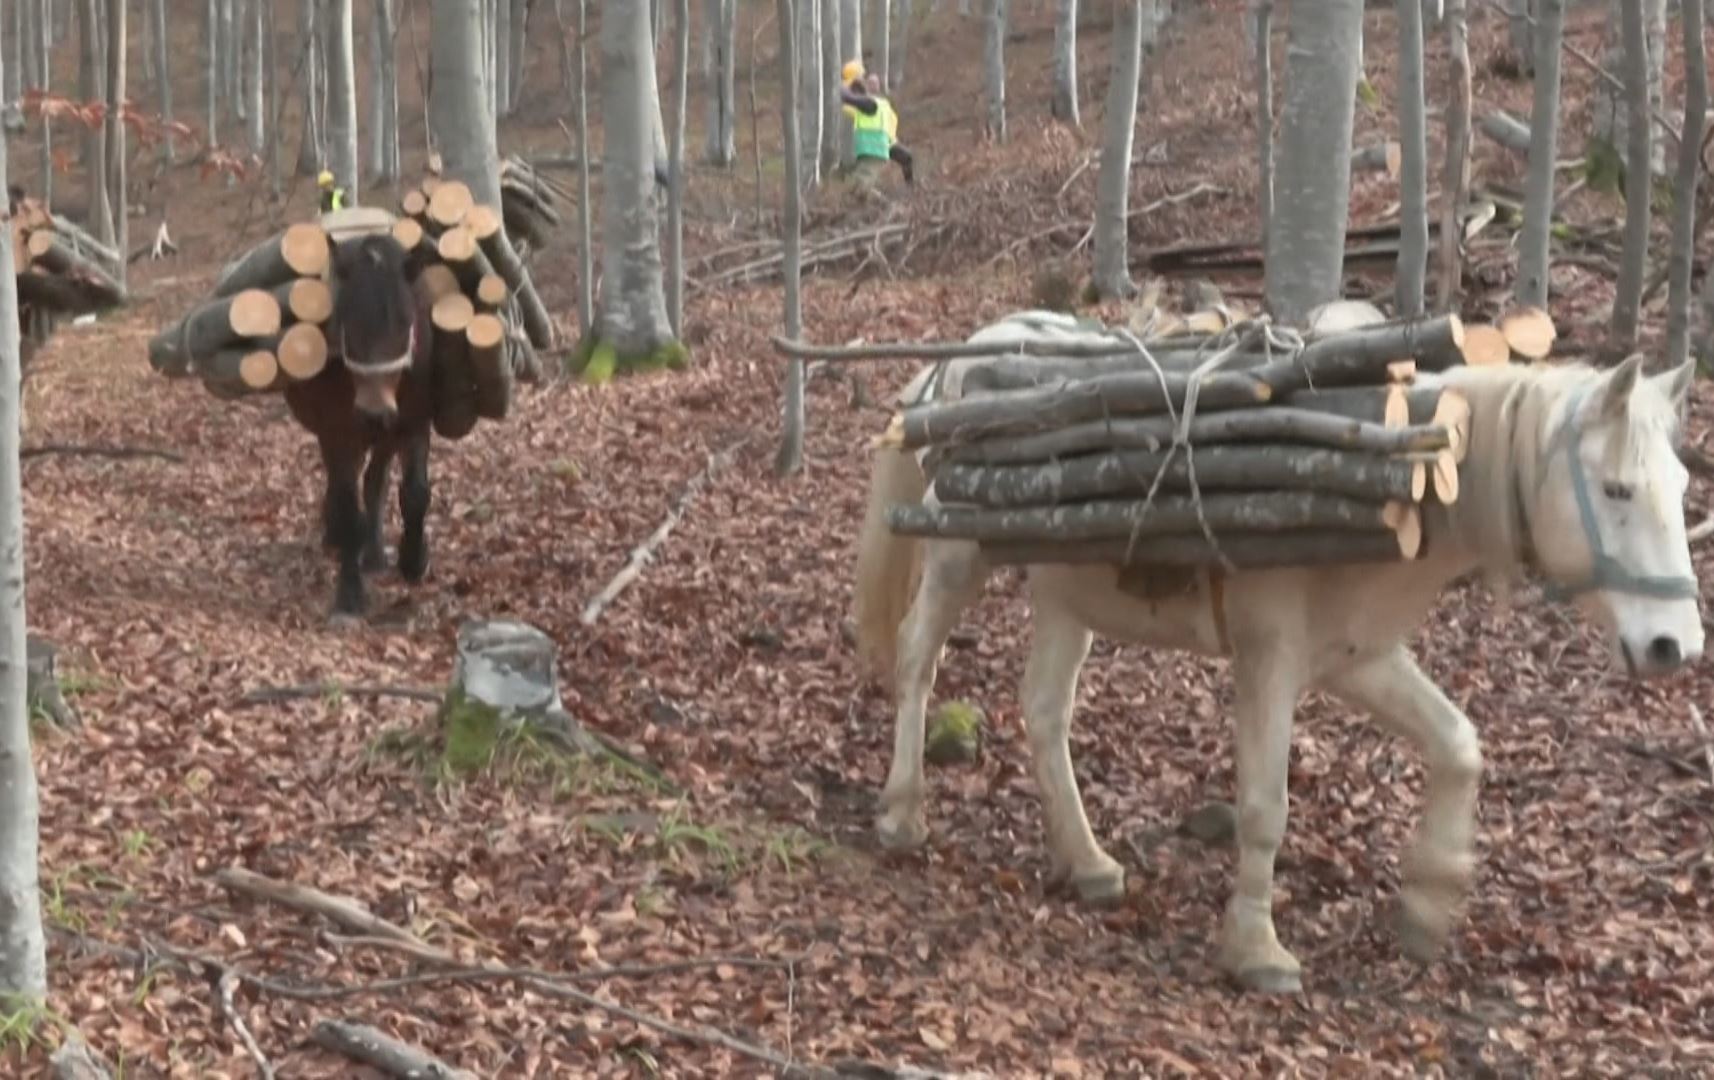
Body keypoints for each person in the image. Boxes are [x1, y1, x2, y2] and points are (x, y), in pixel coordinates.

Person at [839, 63, 914, 186]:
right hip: (875, 146)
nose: (873, 85)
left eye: (875, 82)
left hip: (884, 143)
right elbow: (851, 104)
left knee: (907, 158)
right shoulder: (866, 103)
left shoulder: (881, 103)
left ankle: (909, 190)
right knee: (861, 183)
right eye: (870, 82)